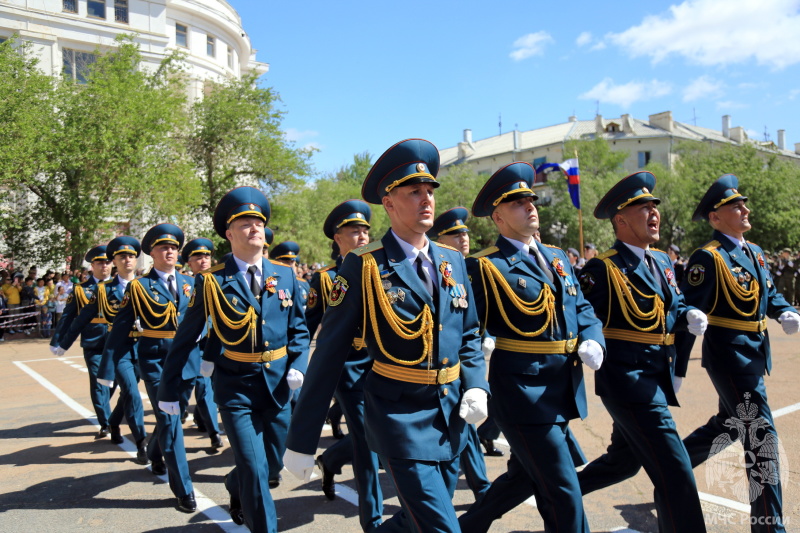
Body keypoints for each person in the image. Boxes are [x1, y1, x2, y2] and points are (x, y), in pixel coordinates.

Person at [284, 138, 489, 533]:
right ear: (390, 204)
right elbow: (328, 354)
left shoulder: (453, 261)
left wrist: (477, 385)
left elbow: (468, 334)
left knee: (414, 523)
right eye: (414, 192)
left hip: (451, 417)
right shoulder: (364, 266)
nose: (426, 199)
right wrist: (302, 439)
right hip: (400, 419)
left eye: (429, 191)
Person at [460, 161, 604, 533]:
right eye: (518, 203)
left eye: (531, 200)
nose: (530, 207)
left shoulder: (557, 257)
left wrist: (592, 337)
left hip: (563, 389)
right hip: (524, 394)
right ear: (498, 217)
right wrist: (472, 377)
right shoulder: (485, 266)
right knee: (563, 490)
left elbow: (582, 307)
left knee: (522, 480)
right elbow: (466, 330)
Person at [162, 187, 309, 532]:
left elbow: (300, 331)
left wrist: (298, 366)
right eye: (244, 223)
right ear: (229, 234)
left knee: (272, 467)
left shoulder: (286, 274)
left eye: (258, 221)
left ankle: (234, 484)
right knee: (255, 469)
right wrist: (169, 391)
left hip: (278, 387)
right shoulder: (211, 281)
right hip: (235, 387)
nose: (254, 227)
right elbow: (185, 340)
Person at [575, 171, 707, 532]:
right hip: (628, 383)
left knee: (623, 463)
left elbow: (672, 307)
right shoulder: (602, 268)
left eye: (655, 207)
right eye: (644, 208)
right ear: (620, 220)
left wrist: (687, 315)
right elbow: (579, 314)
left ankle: (558, 491)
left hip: (656, 378)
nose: (654, 213)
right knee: (676, 470)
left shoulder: (662, 261)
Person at [677, 174, 800, 533]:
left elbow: (770, 295)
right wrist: (678, 368)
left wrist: (784, 312)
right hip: (731, 359)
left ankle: (670, 464)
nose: (744, 209)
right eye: (735, 206)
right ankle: (769, 528)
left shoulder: (756, 252)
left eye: (743, 204)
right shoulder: (709, 257)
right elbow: (686, 312)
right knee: (763, 443)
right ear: (715, 218)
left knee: (727, 426)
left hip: (755, 356)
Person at [102, 224, 197, 513]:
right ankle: (184, 489)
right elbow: (119, 329)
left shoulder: (192, 283)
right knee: (169, 422)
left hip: (189, 362)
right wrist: (107, 370)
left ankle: (155, 451)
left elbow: (206, 323)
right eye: (163, 247)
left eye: (173, 247)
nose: (169, 251)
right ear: (152, 253)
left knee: (174, 418)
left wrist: (210, 357)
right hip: (157, 363)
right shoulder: (139, 287)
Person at [308, 199, 390, 531]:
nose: (361, 236)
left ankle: (330, 459)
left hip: (382, 364)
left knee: (379, 435)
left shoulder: (381, 268)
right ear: (337, 238)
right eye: (353, 232)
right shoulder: (325, 280)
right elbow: (305, 326)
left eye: (365, 231)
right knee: (368, 442)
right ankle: (373, 521)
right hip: (346, 367)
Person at [57, 237, 148, 457]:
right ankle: (141, 442)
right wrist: (62, 342)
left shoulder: (148, 285)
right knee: (132, 393)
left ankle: (113, 421)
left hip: (144, 347)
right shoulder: (104, 289)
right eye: (121, 256)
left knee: (127, 394)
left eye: (131, 256)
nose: (127, 260)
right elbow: (81, 318)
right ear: (114, 261)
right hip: (118, 349)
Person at [427, 206, 491, 502]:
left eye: (464, 232)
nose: (463, 237)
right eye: (455, 234)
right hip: (440, 364)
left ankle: (480, 484)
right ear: (440, 237)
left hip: (468, 358)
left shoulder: (471, 266)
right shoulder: (435, 266)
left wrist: (485, 338)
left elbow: (474, 316)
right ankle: (481, 486)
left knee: (466, 422)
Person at [51, 247, 120, 439]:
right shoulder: (81, 290)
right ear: (92, 266)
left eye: (107, 262)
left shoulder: (120, 286)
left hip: (116, 340)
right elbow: (68, 316)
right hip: (93, 341)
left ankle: (106, 412)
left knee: (113, 381)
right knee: (99, 382)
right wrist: (58, 341)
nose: (104, 266)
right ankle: (106, 423)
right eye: (100, 263)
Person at [160, 237, 223, 450]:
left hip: (212, 343)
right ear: (189, 262)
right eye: (198, 257)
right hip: (190, 345)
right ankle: (169, 437)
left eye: (207, 256)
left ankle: (214, 432)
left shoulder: (218, 279)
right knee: (186, 393)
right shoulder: (188, 283)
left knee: (207, 389)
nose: (203, 260)